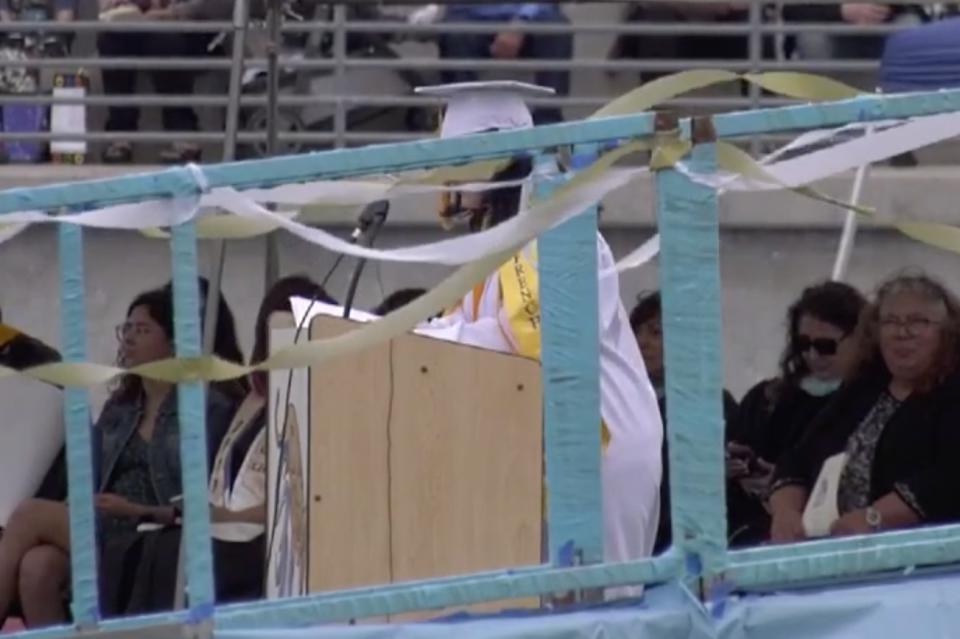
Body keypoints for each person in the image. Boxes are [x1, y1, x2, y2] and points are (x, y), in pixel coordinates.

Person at [416, 81, 663, 589]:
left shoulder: (559, 229)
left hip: (603, 446)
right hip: (540, 454)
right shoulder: (494, 248)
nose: (448, 182)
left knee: (602, 611)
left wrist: (424, 338)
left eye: (457, 162)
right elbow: (467, 331)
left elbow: (525, 338)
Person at [0, 285, 238, 627]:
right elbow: (89, 476)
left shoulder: (206, 407)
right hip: (104, 527)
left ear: (172, 343)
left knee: (27, 515)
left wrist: (138, 510)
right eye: (125, 329)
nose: (128, 339)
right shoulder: (120, 408)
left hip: (153, 531)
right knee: (38, 568)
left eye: (141, 330)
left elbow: (208, 495)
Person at [122, 275, 335, 614]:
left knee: (176, 553)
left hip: (272, 541)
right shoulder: (256, 397)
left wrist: (222, 515)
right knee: (151, 547)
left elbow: (305, 502)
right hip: (230, 530)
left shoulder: (323, 397)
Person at [769, 273, 960, 542]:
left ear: (947, 332)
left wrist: (874, 518)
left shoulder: (952, 392)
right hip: (834, 548)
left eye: (919, 322)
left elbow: (949, 478)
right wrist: (786, 512)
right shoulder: (863, 388)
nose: (903, 333)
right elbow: (799, 458)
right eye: (891, 322)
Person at [728, 281, 865, 546]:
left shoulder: (870, 403)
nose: (813, 355)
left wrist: (787, 485)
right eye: (804, 344)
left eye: (826, 346)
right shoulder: (766, 397)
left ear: (859, 339)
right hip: (753, 531)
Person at [629, 291, 738, 553]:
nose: (642, 343)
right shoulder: (617, 404)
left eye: (656, 334)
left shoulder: (713, 403)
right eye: (637, 332)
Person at [417, 3, 572, 125]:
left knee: (556, 29)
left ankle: (547, 125)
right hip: (471, 17)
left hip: (530, 15)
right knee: (454, 32)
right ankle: (465, 124)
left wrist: (521, 22)